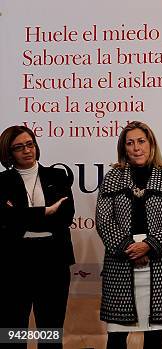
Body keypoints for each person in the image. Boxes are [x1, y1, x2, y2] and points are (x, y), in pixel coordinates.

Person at [96, 121, 162, 349]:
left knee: (154, 336)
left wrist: (149, 246)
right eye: (130, 143)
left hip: (159, 264)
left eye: (141, 141)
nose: (136, 148)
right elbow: (104, 221)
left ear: (151, 144)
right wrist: (131, 249)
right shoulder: (112, 178)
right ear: (123, 148)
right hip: (121, 264)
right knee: (117, 336)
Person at [0, 126, 75, 349]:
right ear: (8, 152)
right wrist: (44, 212)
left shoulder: (57, 176)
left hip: (53, 259)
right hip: (13, 262)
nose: (27, 150)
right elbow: (3, 221)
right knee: (12, 332)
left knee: (50, 331)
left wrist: (20, 217)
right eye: (19, 147)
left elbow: (65, 216)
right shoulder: (1, 182)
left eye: (30, 144)